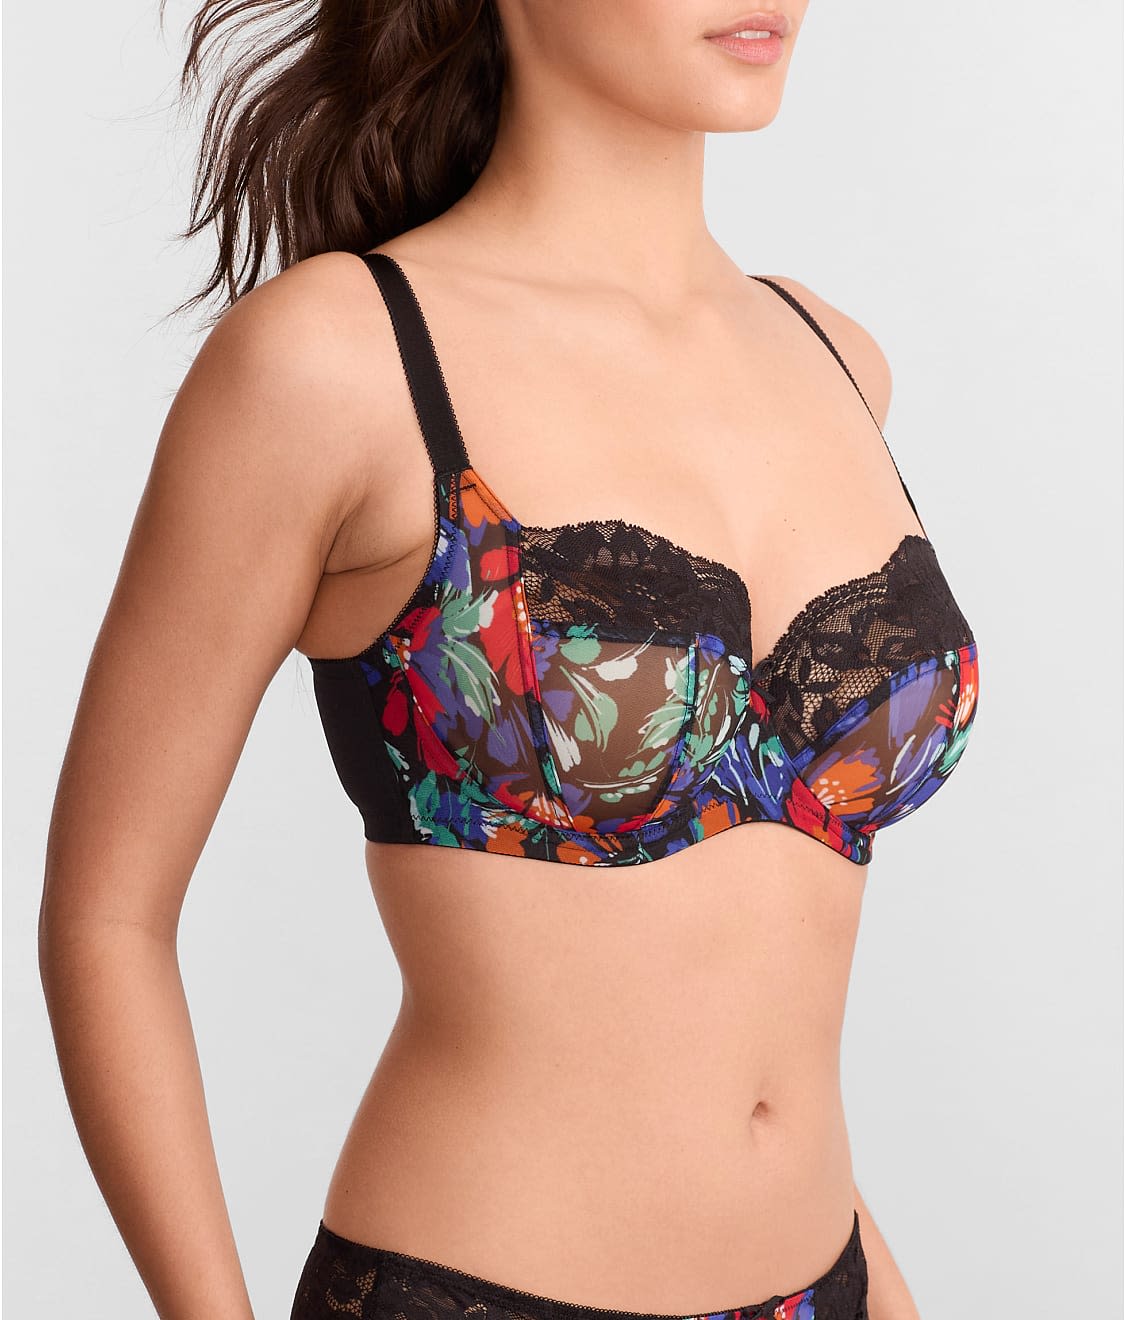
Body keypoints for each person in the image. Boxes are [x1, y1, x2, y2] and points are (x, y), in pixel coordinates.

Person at [39, 2, 981, 1318]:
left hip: (826, 1283)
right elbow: (106, 918)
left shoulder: (832, 357)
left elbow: (759, 920)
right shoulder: (338, 360)